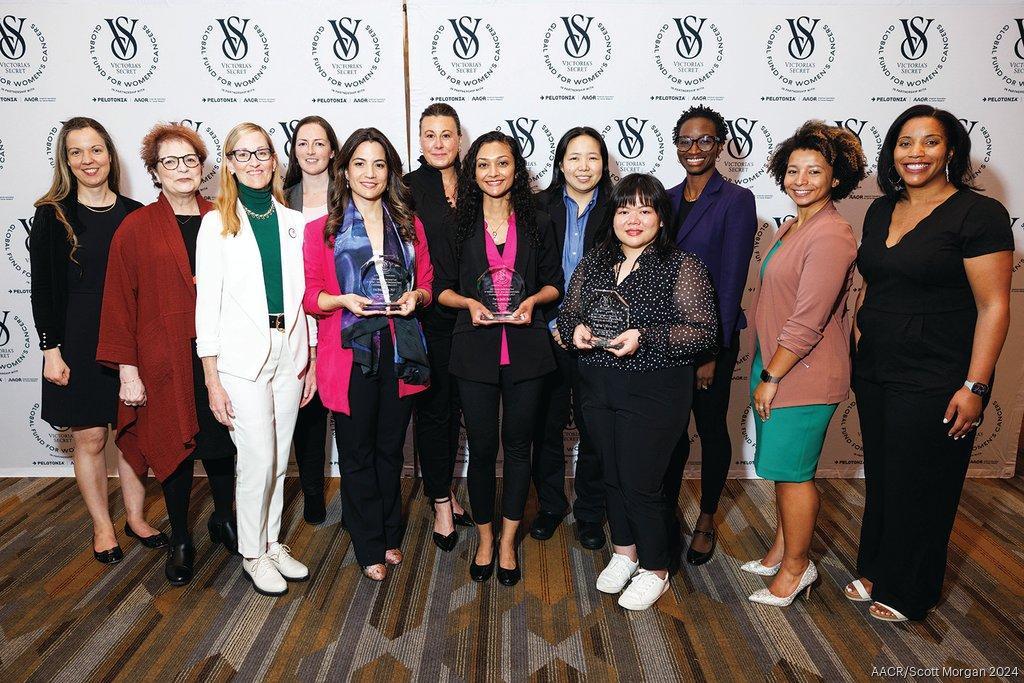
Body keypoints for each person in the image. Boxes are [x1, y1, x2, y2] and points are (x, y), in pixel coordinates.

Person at [848, 106, 1013, 622]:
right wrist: (859, 334)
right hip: (876, 367)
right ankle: (876, 566)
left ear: (951, 152)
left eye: (929, 142)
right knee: (885, 474)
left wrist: (976, 386)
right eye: (904, 142)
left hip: (937, 373)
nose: (915, 153)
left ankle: (910, 589)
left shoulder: (978, 214)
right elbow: (875, 282)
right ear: (891, 152)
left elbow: (994, 306)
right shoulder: (881, 210)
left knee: (924, 482)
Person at [559, 173, 719, 611]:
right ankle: (625, 552)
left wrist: (643, 336)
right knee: (610, 473)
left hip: (654, 389)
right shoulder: (594, 263)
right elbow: (569, 312)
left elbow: (704, 333)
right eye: (624, 209)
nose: (633, 219)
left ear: (661, 218)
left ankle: (656, 567)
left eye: (645, 209)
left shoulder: (682, 266)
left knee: (641, 482)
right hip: (597, 384)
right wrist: (577, 330)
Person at [97, 123, 237, 585]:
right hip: (162, 361)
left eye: (190, 160)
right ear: (155, 172)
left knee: (220, 444)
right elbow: (119, 302)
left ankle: (224, 518)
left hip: (222, 356)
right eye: (170, 162)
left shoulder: (223, 217)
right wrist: (128, 371)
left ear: (204, 167)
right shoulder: (135, 228)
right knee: (172, 447)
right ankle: (180, 537)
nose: (182, 169)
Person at [742, 121, 866, 607]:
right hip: (776, 365)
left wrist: (772, 376)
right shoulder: (796, 225)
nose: (801, 179)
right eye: (793, 170)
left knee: (794, 474)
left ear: (836, 177)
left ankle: (798, 568)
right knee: (782, 468)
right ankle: (780, 549)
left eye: (815, 171)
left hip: (801, 372)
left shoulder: (832, 234)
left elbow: (809, 319)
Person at [29, 117, 163, 565]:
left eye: (95, 150)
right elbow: (42, 288)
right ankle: (102, 525)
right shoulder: (52, 214)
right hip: (76, 339)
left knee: (130, 436)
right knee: (88, 439)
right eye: (76, 152)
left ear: (110, 154)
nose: (88, 160)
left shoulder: (134, 212)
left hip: (129, 340)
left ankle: (136, 517)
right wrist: (51, 349)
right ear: (65, 161)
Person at [303, 127, 433, 581]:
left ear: (390, 171)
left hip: (400, 353)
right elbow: (312, 297)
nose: (370, 173)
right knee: (357, 454)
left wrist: (417, 297)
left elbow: (429, 283)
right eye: (360, 163)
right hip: (351, 354)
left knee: (390, 452)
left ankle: (390, 534)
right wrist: (343, 302)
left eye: (379, 164)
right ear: (345, 170)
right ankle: (367, 544)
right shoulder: (323, 229)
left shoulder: (409, 225)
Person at [435, 131, 562, 587]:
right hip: (475, 351)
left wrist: (533, 302)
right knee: (483, 449)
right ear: (473, 172)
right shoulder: (456, 226)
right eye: (484, 164)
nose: (493, 172)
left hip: (528, 353)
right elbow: (442, 288)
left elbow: (553, 282)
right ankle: (485, 539)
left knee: (519, 448)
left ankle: (509, 541)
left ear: (516, 168)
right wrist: (468, 303)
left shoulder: (539, 222)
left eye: (503, 163)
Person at [195, 122, 317, 596]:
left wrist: (305, 359)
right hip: (240, 361)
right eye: (242, 155)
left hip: (289, 351)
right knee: (257, 457)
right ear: (229, 164)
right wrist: (211, 379)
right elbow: (206, 306)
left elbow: (305, 296)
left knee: (279, 457)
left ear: (274, 159)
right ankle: (251, 553)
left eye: (261, 153)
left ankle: (270, 542)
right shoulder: (215, 223)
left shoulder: (292, 222)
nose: (253, 162)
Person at [663, 106, 757, 566]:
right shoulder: (666, 197)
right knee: (670, 430)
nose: (693, 149)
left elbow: (731, 280)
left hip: (709, 342)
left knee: (711, 428)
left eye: (703, 140)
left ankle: (706, 517)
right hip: (665, 341)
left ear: (720, 145)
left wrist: (710, 352)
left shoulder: (736, 201)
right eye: (685, 140)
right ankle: (664, 509)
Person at [530, 126, 613, 550]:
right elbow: (526, 274)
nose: (584, 166)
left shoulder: (619, 210)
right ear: (560, 163)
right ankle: (550, 505)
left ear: (604, 164)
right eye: (574, 157)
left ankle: (590, 513)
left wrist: (593, 328)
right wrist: (554, 326)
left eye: (593, 157)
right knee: (545, 428)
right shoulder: (537, 206)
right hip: (546, 335)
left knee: (595, 428)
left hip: (599, 339)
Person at [404, 103, 472, 551]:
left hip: (481, 317)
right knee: (436, 415)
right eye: (430, 135)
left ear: (458, 139)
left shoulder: (480, 179)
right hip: (430, 319)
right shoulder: (406, 188)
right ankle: (442, 501)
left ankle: (457, 493)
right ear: (421, 141)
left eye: (446, 135)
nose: (439, 143)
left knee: (471, 412)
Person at [283, 115, 339, 524]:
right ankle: (314, 491)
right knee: (308, 407)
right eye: (303, 143)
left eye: (319, 143)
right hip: (295, 315)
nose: (311, 151)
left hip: (338, 311)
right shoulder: (281, 199)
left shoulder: (350, 195)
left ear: (333, 150)